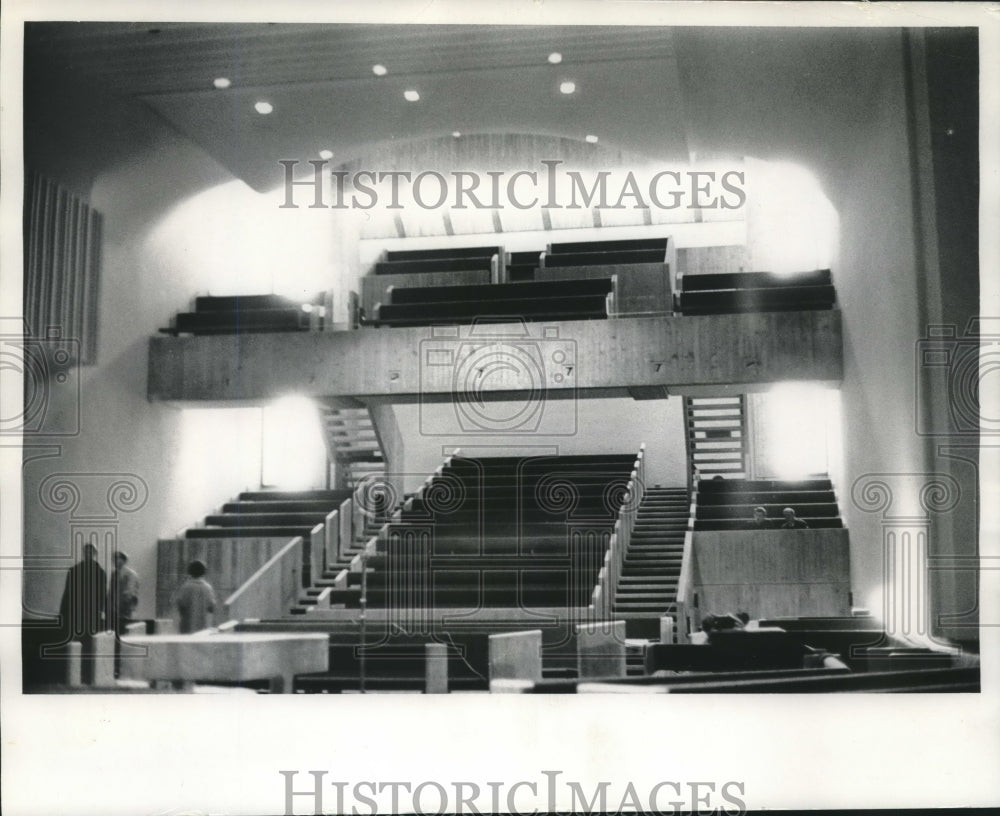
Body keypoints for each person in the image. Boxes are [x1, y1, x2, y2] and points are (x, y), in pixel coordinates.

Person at [58, 542, 106, 684]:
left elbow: (102, 595)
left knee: (90, 645)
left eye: (92, 552)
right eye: (87, 551)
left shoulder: (100, 572)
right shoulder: (74, 571)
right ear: (84, 553)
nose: (89, 554)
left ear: (95, 554)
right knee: (76, 644)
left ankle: (89, 676)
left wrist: (101, 611)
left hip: (91, 615)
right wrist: (63, 612)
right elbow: (67, 593)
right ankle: (74, 676)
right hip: (76, 614)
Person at [175, 560, 217, 634]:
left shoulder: (186, 587)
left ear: (190, 571)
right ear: (204, 572)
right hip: (203, 627)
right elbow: (211, 607)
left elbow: (181, 605)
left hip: (187, 626)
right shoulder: (208, 588)